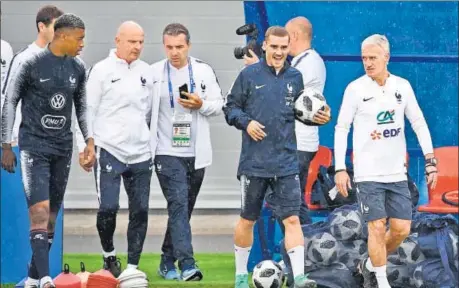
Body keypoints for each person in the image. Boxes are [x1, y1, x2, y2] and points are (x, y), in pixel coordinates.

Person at [334, 34, 438, 288]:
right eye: (364, 58)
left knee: (402, 229)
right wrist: (339, 168)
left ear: (386, 57)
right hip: (368, 174)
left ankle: (368, 265)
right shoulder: (355, 89)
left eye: (373, 58)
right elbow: (341, 127)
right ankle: (381, 281)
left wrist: (430, 160)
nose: (368, 63)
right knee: (377, 227)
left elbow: (419, 122)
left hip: (396, 174)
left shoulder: (402, 86)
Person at [1, 13, 95, 288]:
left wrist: (88, 140)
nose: (83, 44)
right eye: (79, 39)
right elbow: (9, 102)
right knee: (39, 212)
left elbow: (82, 107)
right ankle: (45, 279)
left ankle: (32, 276)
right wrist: (6, 144)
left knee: (52, 216)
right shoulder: (30, 62)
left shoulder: (78, 68)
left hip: (62, 148)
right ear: (63, 36)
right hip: (33, 146)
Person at [223, 26, 317, 288]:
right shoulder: (248, 75)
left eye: (283, 47)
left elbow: (303, 111)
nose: (278, 52)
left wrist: (320, 116)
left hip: (287, 162)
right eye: (273, 47)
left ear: (288, 48)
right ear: (264, 46)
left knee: (292, 218)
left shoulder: (296, 77)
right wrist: (246, 122)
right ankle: (241, 276)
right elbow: (230, 107)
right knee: (248, 219)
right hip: (254, 163)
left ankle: (299, 277)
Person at [75, 21, 154, 278]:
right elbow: (86, 111)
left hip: (141, 154)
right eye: (132, 41)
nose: (138, 47)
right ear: (117, 40)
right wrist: (83, 147)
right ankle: (109, 256)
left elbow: (150, 112)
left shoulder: (146, 72)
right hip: (109, 150)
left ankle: (132, 267)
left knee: (140, 210)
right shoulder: (101, 70)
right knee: (108, 207)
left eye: (141, 41)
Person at [149, 23, 223, 281]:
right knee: (178, 204)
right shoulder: (154, 73)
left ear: (188, 46)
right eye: (169, 47)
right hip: (166, 151)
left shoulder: (202, 70)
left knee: (183, 209)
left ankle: (166, 260)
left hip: (197, 152)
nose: (174, 52)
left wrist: (201, 104)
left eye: (179, 47)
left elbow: (218, 105)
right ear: (164, 47)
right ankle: (187, 264)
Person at [243, 17, 331, 227]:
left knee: (285, 202)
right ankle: (305, 251)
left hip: (299, 143)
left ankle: (305, 249)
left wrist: (258, 68)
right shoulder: (303, 61)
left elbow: (284, 94)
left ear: (295, 36)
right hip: (292, 143)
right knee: (292, 202)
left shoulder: (309, 62)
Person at [2, 5, 64, 147]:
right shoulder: (23, 58)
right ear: (42, 27)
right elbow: (8, 99)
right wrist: (8, 138)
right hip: (24, 141)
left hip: (53, 142)